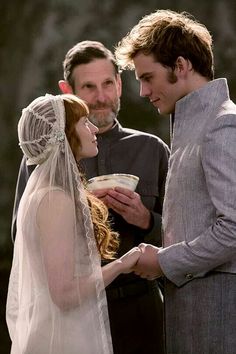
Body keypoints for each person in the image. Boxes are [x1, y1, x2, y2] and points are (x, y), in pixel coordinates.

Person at [11, 41, 169, 354]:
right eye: (88, 86)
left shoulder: (152, 149)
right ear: (66, 89)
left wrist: (146, 219)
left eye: (108, 84)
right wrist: (75, 210)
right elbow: (25, 240)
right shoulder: (43, 161)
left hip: (139, 310)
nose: (100, 97)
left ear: (120, 84)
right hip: (74, 313)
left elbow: (185, 235)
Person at [115, 8, 236, 354]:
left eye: (148, 77)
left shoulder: (222, 125)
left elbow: (234, 228)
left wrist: (164, 262)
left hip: (217, 321)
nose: (141, 91)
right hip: (192, 318)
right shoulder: (193, 128)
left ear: (181, 66)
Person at [6, 93, 141, 354]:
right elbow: (65, 295)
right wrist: (123, 264)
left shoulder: (49, 194)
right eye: (84, 122)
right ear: (64, 134)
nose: (93, 129)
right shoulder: (55, 199)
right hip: (60, 339)